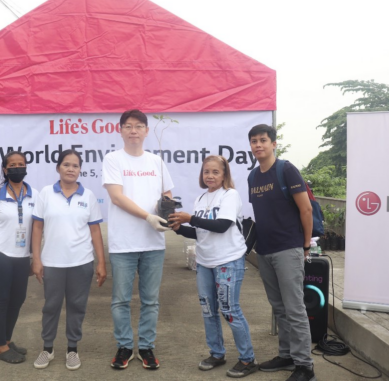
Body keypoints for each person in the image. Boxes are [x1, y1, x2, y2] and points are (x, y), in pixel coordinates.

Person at [169, 155, 258, 378]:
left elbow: (221, 226)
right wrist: (179, 228)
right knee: (208, 311)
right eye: (206, 171)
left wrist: (191, 218)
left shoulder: (230, 195)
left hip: (228, 260)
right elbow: (200, 233)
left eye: (215, 172)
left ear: (225, 174)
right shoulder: (201, 198)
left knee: (229, 310)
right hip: (205, 262)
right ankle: (217, 353)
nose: (210, 176)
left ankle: (248, 360)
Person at [102, 109, 173, 370]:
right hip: (123, 244)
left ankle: (146, 347)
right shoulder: (113, 159)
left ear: (146, 131)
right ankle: (124, 346)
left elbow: (167, 196)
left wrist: (167, 213)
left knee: (151, 300)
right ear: (120, 130)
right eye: (128, 126)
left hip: (153, 243)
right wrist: (147, 217)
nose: (133, 131)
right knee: (120, 300)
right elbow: (117, 197)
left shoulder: (156, 162)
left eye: (138, 126)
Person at [247, 124, 316, 381]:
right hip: (264, 250)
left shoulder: (285, 170)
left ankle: (305, 367)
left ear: (273, 144)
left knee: (295, 308)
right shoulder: (253, 177)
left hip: (288, 248)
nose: (258, 145)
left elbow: (305, 210)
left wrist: (305, 246)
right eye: (254, 141)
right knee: (279, 307)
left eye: (263, 140)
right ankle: (287, 355)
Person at [31, 149, 107, 371]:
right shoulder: (45, 193)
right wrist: (36, 259)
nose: (71, 169)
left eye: (75, 165)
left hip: (81, 262)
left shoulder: (88, 196)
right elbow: (37, 227)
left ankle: (72, 349)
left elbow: (95, 232)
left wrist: (101, 262)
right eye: (66, 164)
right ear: (58, 168)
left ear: (80, 170)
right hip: (52, 263)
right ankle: (48, 348)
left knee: (76, 306)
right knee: (51, 306)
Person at [0, 150, 38, 364]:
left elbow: (38, 228)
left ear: (26, 167)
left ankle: (7, 340)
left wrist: (34, 258)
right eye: (12, 165)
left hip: (21, 256)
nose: (17, 167)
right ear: (5, 169)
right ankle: (0, 348)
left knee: (18, 300)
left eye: (21, 164)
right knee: (2, 300)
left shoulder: (34, 194)